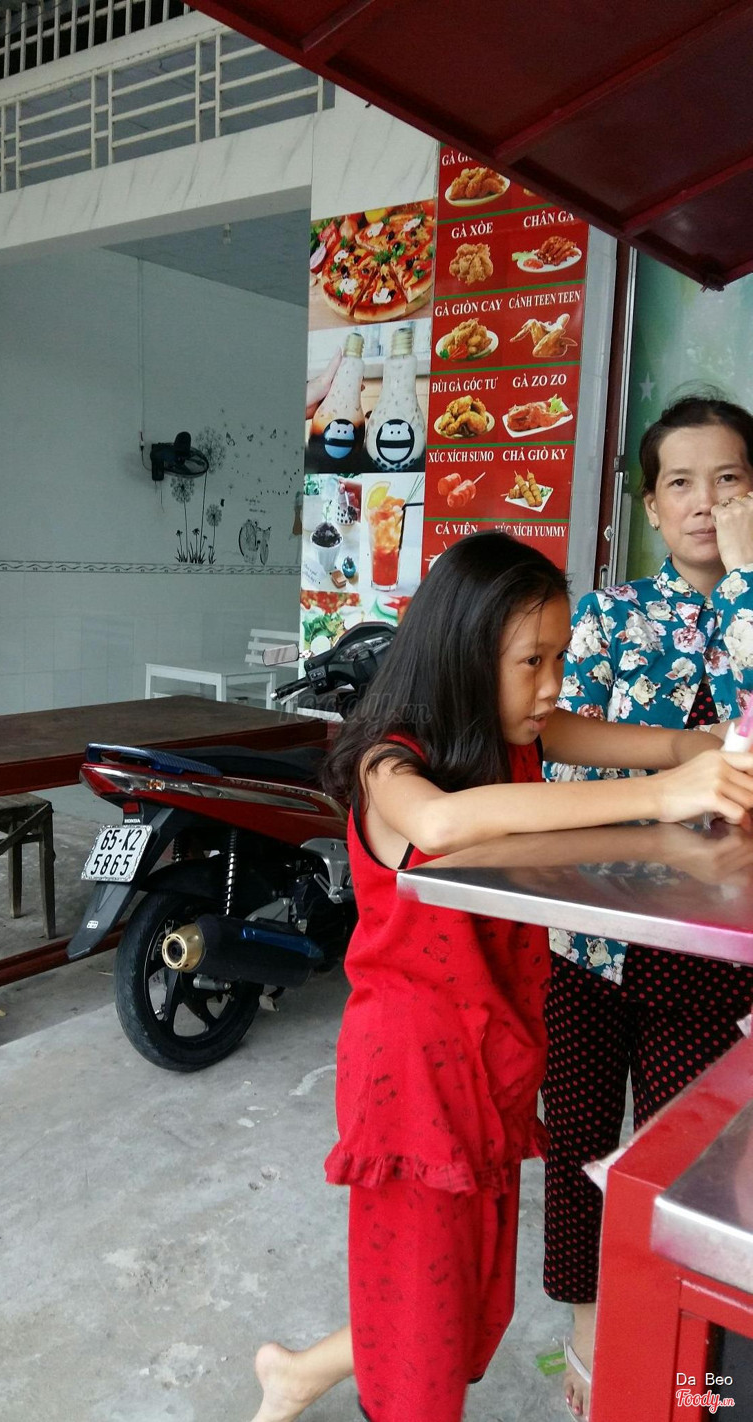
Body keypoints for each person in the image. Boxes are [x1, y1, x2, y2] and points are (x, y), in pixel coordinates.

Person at [248, 529, 753, 1422]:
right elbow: (443, 826)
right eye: (533, 661)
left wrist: (703, 750)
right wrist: (662, 793)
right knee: (428, 1343)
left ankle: (298, 1374)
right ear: (464, 654)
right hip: (415, 1084)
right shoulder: (390, 766)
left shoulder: (514, 730)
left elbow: (643, 744)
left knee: (470, 1303)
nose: (554, 683)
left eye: (559, 657)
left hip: (495, 1066)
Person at [542, 393, 753, 1420]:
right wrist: (673, 767)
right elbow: (559, 747)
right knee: (578, 1145)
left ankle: (675, 1377)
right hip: (595, 935)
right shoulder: (608, 616)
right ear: (650, 505)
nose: (705, 503)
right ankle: (589, 1355)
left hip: (715, 952)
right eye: (681, 482)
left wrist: (745, 583)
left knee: (683, 1181)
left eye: (729, 480)